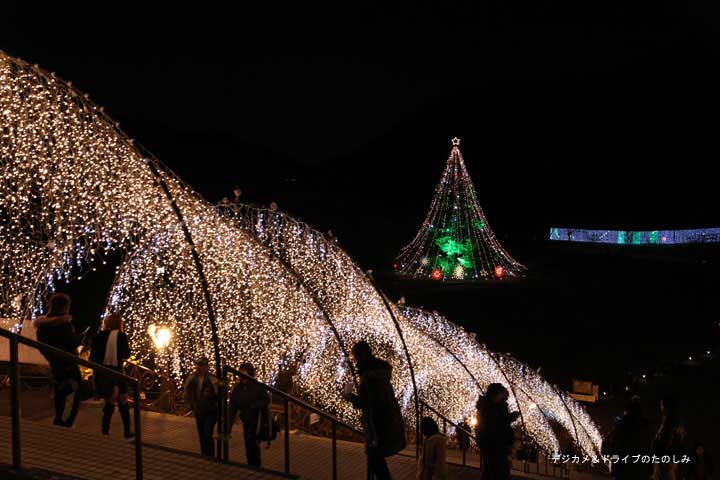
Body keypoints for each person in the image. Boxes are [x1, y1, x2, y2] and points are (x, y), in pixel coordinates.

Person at [343, 341, 406, 480]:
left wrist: (350, 396)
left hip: (376, 426)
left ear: (360, 356)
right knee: (375, 461)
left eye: (355, 358)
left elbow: (367, 402)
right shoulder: (380, 373)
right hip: (386, 421)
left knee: (376, 462)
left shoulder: (368, 377)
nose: (354, 361)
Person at [33, 293, 82, 427]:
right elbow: (70, 344)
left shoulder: (42, 327)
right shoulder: (63, 325)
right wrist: (79, 339)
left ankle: (59, 420)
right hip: (69, 365)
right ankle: (65, 423)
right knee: (74, 392)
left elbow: (44, 348)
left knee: (60, 392)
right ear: (65, 307)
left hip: (55, 365)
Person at [89, 313, 133, 438]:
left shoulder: (98, 336)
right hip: (117, 372)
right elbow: (125, 354)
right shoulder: (121, 336)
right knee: (122, 400)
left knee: (110, 400)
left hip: (103, 372)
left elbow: (93, 357)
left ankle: (105, 430)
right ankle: (126, 431)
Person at [228, 362, 270, 467]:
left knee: (253, 445)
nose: (241, 375)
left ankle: (255, 466)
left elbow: (266, 399)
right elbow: (233, 407)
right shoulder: (238, 388)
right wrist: (228, 426)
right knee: (248, 444)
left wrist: (254, 405)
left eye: (243, 372)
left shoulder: (257, 386)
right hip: (246, 420)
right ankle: (252, 466)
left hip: (257, 420)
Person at [475, 383, 520, 480]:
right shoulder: (490, 407)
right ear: (496, 394)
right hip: (495, 445)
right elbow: (496, 424)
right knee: (498, 472)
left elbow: (499, 421)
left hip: (493, 444)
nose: (504, 395)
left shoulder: (493, 405)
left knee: (490, 472)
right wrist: (510, 417)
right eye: (501, 393)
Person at [602, 396, 652, 480]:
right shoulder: (645, 428)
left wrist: (613, 460)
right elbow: (648, 449)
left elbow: (609, 446)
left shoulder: (621, 426)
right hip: (640, 472)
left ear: (627, 411)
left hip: (621, 471)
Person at [183, 356, 218, 457]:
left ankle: (210, 455)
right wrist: (191, 404)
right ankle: (204, 455)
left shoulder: (211, 379)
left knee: (207, 434)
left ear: (207, 367)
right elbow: (187, 392)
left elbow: (218, 393)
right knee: (202, 434)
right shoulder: (193, 378)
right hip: (199, 410)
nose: (199, 368)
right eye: (198, 365)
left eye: (202, 365)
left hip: (210, 411)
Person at [652, 396, 687, 480]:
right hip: (663, 452)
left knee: (668, 474)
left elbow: (680, 436)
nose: (661, 407)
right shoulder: (663, 418)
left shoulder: (673, 419)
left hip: (669, 453)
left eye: (662, 405)